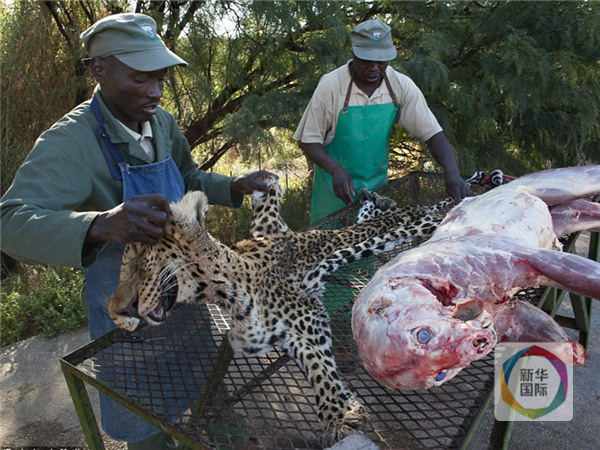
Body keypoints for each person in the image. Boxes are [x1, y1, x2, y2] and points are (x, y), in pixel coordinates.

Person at [0, 13, 273, 450]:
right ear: (99, 69)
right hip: (128, 315)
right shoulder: (70, 142)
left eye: (162, 78)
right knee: (146, 420)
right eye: (142, 78)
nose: (156, 91)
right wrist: (101, 224)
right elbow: (10, 222)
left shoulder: (160, 121)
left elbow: (187, 178)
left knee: (210, 399)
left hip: (188, 295)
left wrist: (232, 186)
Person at [294, 19, 471, 224]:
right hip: (334, 191)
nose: (374, 68)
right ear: (354, 54)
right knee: (331, 250)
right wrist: (335, 170)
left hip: (375, 191)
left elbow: (432, 133)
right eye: (366, 60)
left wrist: (452, 173)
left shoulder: (400, 85)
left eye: (381, 61)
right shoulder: (331, 86)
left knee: (368, 248)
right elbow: (308, 140)